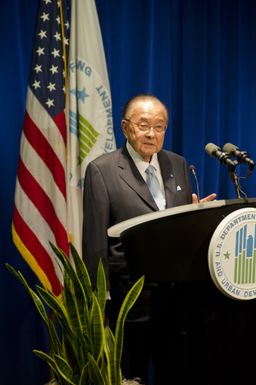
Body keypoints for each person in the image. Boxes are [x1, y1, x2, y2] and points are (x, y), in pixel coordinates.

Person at [82, 94, 216, 385]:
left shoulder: (178, 164)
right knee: (131, 376)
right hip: (127, 304)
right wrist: (97, 305)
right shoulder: (102, 171)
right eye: (144, 126)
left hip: (174, 304)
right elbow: (94, 245)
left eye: (159, 126)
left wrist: (196, 216)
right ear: (125, 127)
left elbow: (174, 226)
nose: (152, 134)